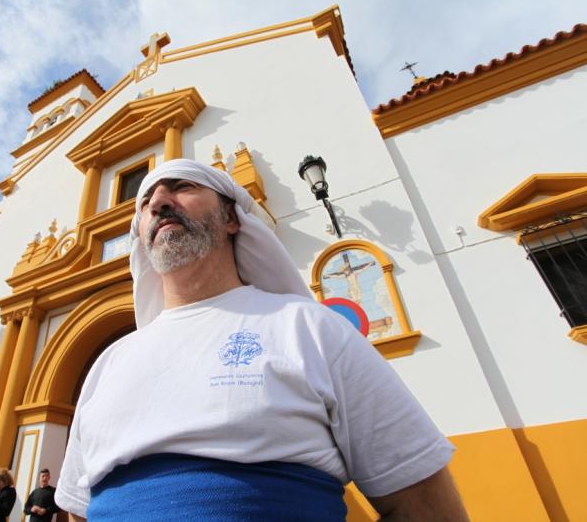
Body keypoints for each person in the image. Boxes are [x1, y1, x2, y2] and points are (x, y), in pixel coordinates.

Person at [56, 158, 469, 521]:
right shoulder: (109, 364)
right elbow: (79, 511)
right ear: (142, 240)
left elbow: (426, 505)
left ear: (233, 218)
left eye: (182, 186)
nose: (160, 202)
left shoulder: (310, 328)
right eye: (145, 204)